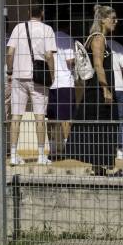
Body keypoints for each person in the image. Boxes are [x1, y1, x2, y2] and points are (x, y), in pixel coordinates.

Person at [67, 5, 123, 176]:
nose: (116, 21)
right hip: (99, 90)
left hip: (97, 89)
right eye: (112, 18)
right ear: (102, 19)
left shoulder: (99, 38)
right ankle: (100, 165)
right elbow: (98, 64)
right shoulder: (98, 38)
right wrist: (106, 89)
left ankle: (99, 167)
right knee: (103, 126)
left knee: (100, 126)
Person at [6, 5, 56, 166]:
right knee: (40, 116)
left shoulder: (19, 27)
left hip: (18, 76)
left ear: (29, 13)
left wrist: (10, 71)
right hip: (39, 78)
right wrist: (52, 73)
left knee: (16, 116)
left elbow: (10, 52)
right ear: (42, 13)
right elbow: (49, 55)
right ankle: (41, 155)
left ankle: (13, 154)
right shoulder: (47, 29)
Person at [47, 21, 76, 159]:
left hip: (50, 83)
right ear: (68, 26)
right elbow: (70, 61)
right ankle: (67, 148)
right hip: (65, 82)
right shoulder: (68, 39)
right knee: (66, 118)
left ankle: (52, 148)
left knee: (51, 118)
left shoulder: (49, 38)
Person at [108, 38, 123, 161]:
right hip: (118, 88)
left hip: (103, 88)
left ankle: (106, 149)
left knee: (105, 119)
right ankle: (120, 149)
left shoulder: (94, 43)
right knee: (120, 118)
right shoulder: (118, 45)